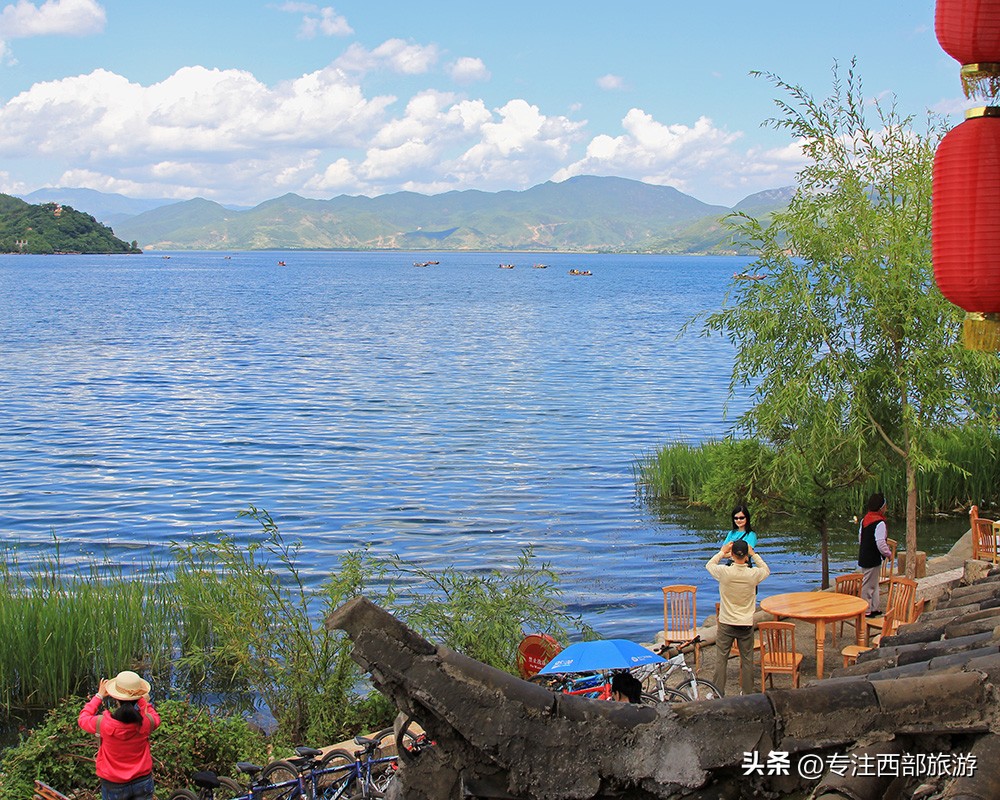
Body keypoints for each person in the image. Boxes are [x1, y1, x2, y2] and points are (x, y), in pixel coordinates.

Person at [78, 670, 160, 800]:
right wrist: (144, 702)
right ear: (138, 698)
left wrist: (99, 696)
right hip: (142, 780)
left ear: (115, 698)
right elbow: (155, 717)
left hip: (113, 784)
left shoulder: (103, 724)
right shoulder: (146, 723)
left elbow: (83, 719)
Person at [706, 539, 770, 696]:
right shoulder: (753, 574)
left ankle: (718, 692)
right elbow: (766, 570)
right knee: (747, 659)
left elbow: (709, 565)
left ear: (732, 555)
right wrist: (754, 554)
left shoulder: (724, 572)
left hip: (727, 622)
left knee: (721, 659)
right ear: (746, 556)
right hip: (746, 624)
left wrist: (722, 551)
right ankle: (747, 693)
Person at [858, 492, 892, 617]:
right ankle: (866, 610)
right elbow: (880, 543)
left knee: (873, 583)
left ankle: (874, 607)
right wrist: (888, 553)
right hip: (872, 557)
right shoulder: (880, 523)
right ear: (881, 507)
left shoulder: (864, 520)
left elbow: (861, 538)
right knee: (868, 585)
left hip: (865, 555)